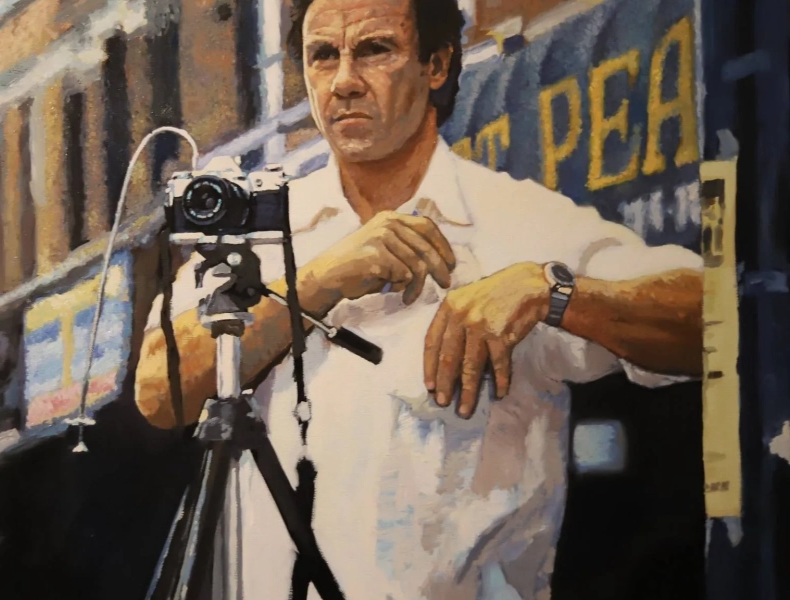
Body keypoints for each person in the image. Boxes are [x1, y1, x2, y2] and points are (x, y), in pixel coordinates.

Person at [134, 0, 704, 597]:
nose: (344, 81)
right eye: (323, 56)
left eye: (375, 50)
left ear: (436, 65)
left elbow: (711, 319)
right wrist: (320, 283)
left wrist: (548, 291)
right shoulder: (266, 226)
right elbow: (158, 391)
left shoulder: (515, 221)